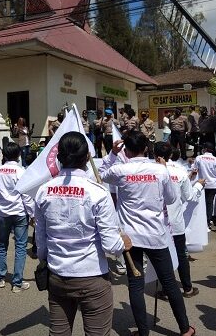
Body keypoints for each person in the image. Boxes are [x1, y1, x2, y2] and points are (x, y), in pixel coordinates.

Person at [35, 131, 132, 335]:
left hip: (57, 276)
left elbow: (40, 240)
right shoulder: (97, 192)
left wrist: (45, 261)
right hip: (92, 278)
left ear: (59, 156)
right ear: (87, 157)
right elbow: (111, 245)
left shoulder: (43, 191)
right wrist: (123, 244)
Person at [99, 136, 196, 336]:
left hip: (131, 237)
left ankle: (143, 332)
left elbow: (100, 175)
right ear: (146, 148)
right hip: (155, 235)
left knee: (135, 284)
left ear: (126, 151)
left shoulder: (120, 170)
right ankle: (185, 329)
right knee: (169, 281)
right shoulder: (160, 170)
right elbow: (171, 198)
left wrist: (112, 154)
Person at [157, 146, 204, 300]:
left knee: (164, 258)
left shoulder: (150, 172)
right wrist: (198, 185)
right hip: (176, 223)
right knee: (181, 255)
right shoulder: (180, 172)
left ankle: (166, 290)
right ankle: (187, 288)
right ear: (170, 154)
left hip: (159, 224)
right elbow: (190, 197)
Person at [0, 142, 34, 293]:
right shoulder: (21, 171)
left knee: (2, 245)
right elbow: (26, 195)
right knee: (20, 247)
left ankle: (0, 278)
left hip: (3, 213)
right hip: (20, 212)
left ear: (4, 154)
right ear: (19, 155)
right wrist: (32, 213)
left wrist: (1, 202)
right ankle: (17, 283)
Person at [191, 142, 216, 228]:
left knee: (200, 203)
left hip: (201, 184)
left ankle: (200, 221)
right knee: (209, 203)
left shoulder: (199, 158)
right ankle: (208, 222)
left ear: (205, 149)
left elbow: (194, 169)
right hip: (212, 185)